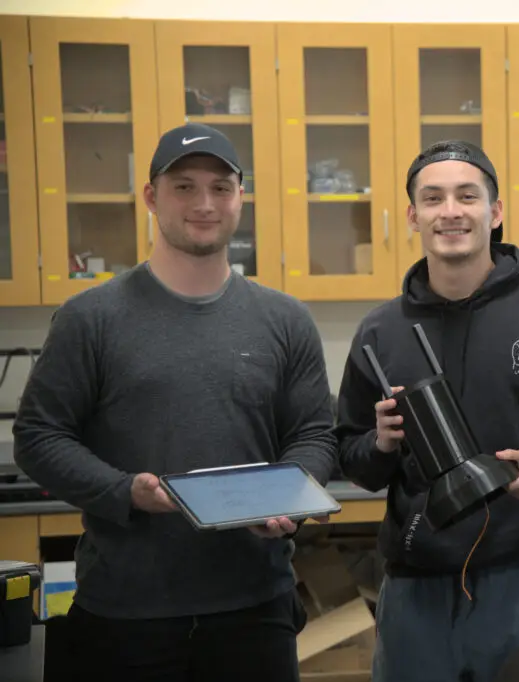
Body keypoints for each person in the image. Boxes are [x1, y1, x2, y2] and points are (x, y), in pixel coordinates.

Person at [13, 122, 337, 682]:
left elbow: (313, 434)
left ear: (240, 197)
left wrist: (289, 503)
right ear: (151, 196)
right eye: (184, 186)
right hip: (126, 612)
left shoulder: (286, 320)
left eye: (220, 187)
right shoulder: (90, 318)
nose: (204, 203)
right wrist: (125, 492)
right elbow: (38, 437)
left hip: (255, 610)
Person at [334, 140, 519, 682]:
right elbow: (353, 460)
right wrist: (380, 443)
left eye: (467, 196)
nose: (450, 211)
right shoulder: (380, 332)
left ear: (495, 212)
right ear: (413, 216)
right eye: (433, 198)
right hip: (416, 587)